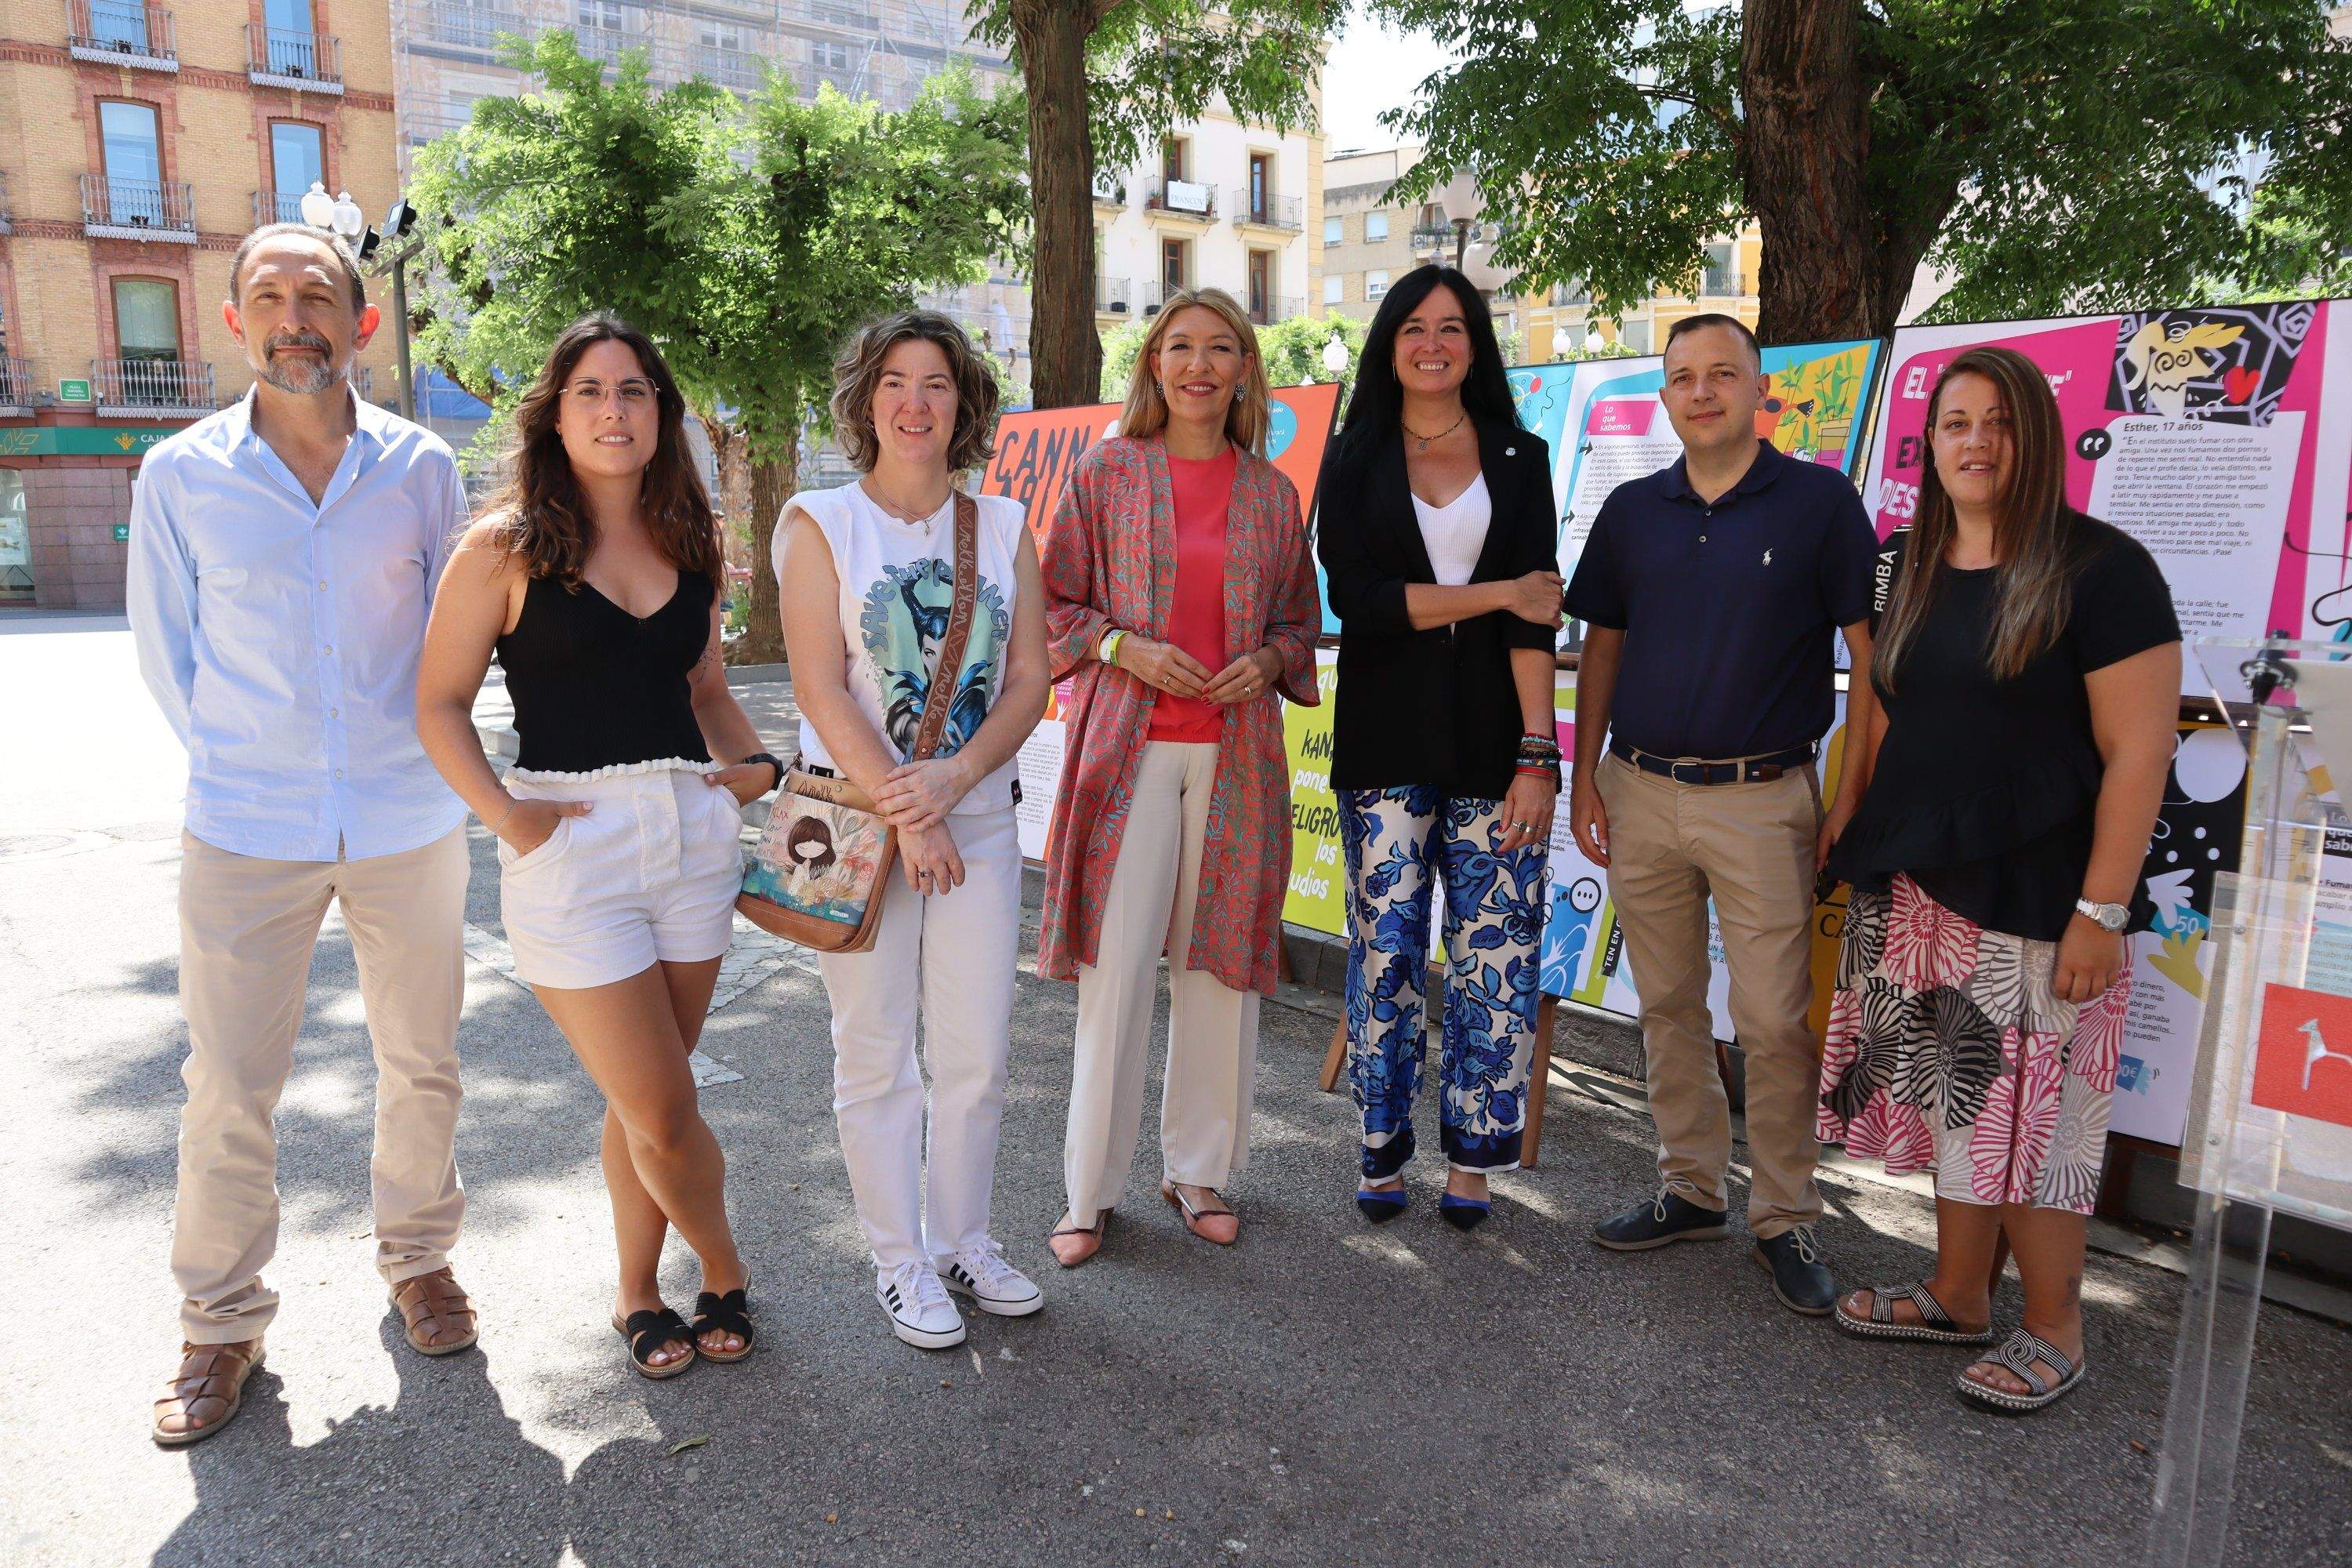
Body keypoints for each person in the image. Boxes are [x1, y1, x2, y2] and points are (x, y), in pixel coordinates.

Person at [130, 224, 477, 1446]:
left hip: (407, 814)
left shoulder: (426, 468)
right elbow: (167, 657)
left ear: (361, 322)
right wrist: (248, 763)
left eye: (318, 296)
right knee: (227, 1082)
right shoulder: (178, 476)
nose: (296, 319)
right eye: (269, 297)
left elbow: (460, 637)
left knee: (422, 1058)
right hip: (246, 826)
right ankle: (219, 1323)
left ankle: (420, 1258)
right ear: (234, 322)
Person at [416, 313, 779, 1380]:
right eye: (591, 391)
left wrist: (751, 770)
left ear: (662, 413)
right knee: (665, 1102)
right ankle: (727, 1266)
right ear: (556, 413)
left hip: (690, 839)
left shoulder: (692, 540)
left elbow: (705, 692)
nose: (614, 411)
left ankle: (636, 1293)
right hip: (572, 849)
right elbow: (438, 705)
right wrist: (511, 820)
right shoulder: (506, 545)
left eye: (634, 391)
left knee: (645, 1100)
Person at [1817, 345, 2178, 1414]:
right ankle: (1957, 1293)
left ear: (2036, 438)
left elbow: (2140, 753)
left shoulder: (2103, 570)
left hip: (2042, 892)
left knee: (2039, 1119)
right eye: (1956, 422)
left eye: (1999, 422)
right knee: (1953, 1099)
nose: (1975, 441)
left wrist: (2100, 911)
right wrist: (1847, 822)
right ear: (1930, 444)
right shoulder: (1900, 562)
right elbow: (1874, 705)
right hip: (1916, 884)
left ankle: (2057, 1328)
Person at [1565, 313, 1876, 1315]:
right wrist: (1585, 777)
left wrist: (1847, 793)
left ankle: (1784, 1217)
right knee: (1664, 1003)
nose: (1702, 392)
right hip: (1640, 788)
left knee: (1774, 1020)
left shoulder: (1822, 503)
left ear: (1758, 390)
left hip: (1764, 797)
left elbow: (1871, 658)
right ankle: (1691, 1187)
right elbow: (1600, 648)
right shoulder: (1630, 511)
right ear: (1666, 397)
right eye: (1684, 378)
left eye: (1723, 374)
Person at [774, 310, 1051, 1351]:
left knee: (976, 1053)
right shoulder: (819, 522)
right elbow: (818, 686)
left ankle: (962, 1241)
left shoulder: (1009, 526)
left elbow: (1030, 680)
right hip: (848, 827)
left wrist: (958, 781)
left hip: (975, 819)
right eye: (896, 381)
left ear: (964, 404)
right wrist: (908, 808)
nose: (915, 401)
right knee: (877, 1052)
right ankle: (898, 1262)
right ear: (865, 400)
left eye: (937, 382)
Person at [1037, 286, 1323, 1266]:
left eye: (1220, 348)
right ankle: (1089, 1188)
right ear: (1153, 364)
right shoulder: (1107, 473)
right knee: (1116, 973)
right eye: (1180, 347)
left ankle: (1196, 1168)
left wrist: (1276, 661)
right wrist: (1122, 644)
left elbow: (1298, 619)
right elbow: (1053, 602)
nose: (1199, 365)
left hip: (1236, 757)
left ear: (1245, 368)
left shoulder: (1272, 493)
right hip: (1128, 753)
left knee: (1217, 972)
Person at [1316, 265, 1563, 1230]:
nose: (1432, 343)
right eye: (1413, 327)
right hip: (1384, 742)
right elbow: (1362, 603)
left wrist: (1538, 754)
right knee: (1385, 949)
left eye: (1452, 327)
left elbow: (1537, 621)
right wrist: (1498, 592)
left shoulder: (1520, 454)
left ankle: (1474, 1154)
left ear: (1475, 343)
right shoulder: (1355, 455)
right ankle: (1380, 1142)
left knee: (1493, 955)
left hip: (1499, 744)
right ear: (1390, 342)